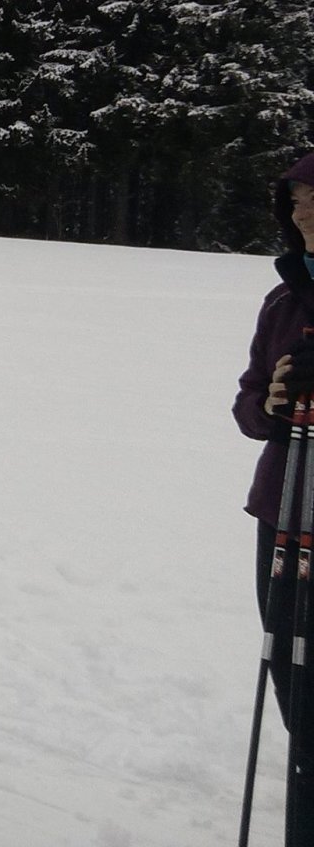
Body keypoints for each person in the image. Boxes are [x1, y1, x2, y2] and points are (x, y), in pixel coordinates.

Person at [234, 149, 314, 847]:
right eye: (294, 201)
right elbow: (249, 400)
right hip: (282, 505)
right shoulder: (284, 299)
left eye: (313, 198)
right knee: (290, 672)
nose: (302, 211)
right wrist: (274, 406)